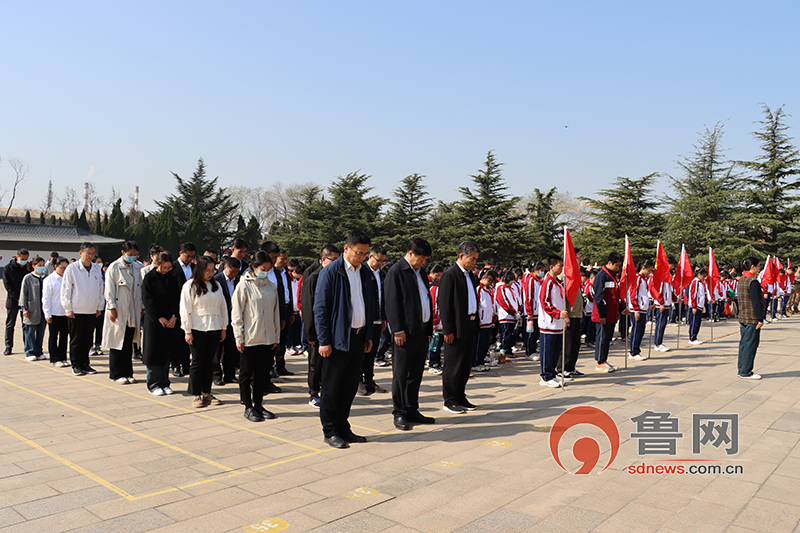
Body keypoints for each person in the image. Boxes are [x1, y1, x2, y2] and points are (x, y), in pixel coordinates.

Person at [314, 230, 375, 448]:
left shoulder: (365, 273)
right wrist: (324, 340)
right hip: (338, 339)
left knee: (349, 386)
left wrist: (368, 335)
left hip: (358, 338)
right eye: (359, 253)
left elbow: (367, 305)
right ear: (346, 249)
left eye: (365, 254)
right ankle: (330, 430)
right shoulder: (331, 272)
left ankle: (343, 426)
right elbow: (320, 309)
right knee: (332, 387)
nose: (362, 257)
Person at [385, 238, 435, 431]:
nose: (423, 262)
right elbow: (391, 303)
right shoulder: (396, 272)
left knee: (416, 373)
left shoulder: (420, 272)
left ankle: (412, 408)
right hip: (404, 333)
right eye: (421, 258)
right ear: (411, 253)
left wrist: (428, 328)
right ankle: (399, 412)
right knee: (401, 374)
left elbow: (425, 300)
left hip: (421, 331)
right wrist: (397, 329)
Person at [232, 251, 280, 422]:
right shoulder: (243, 285)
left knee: (262, 373)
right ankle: (248, 406)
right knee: (246, 374)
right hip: (250, 338)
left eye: (268, 269)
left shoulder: (271, 286)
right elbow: (236, 314)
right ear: (253, 267)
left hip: (267, 338)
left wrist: (276, 336)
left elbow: (276, 312)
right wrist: (239, 337)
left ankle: (258, 404)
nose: (265, 271)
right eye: (263, 268)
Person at [180, 255, 228, 408]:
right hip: (197, 328)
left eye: (212, 270)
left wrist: (223, 327)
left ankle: (207, 393)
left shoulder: (216, 286)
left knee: (210, 362)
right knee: (197, 361)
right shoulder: (190, 286)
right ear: (199, 269)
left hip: (214, 327)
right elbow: (185, 309)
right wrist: (187, 330)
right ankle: (196, 394)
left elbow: (223, 307)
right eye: (207, 270)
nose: (210, 273)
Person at [438, 241, 481, 414]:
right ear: (461, 256)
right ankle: (450, 399)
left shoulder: (470, 275)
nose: (474, 262)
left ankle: (460, 396)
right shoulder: (450, 275)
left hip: (469, 324)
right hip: (455, 327)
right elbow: (445, 305)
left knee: (465, 365)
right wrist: (447, 329)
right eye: (472, 259)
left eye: (476, 259)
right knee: (453, 365)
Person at [300, 244, 340, 408]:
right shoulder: (313, 278)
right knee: (315, 364)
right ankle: (313, 393)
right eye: (334, 260)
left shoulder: (336, 277)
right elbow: (309, 309)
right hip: (317, 331)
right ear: (323, 259)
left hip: (332, 330)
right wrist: (311, 335)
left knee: (329, 365)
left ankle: (327, 391)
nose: (337, 263)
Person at [60, 243, 104, 376]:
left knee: (87, 339)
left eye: (92, 254)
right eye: (88, 253)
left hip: (91, 310)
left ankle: (85, 363)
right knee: (76, 339)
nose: (90, 256)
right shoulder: (72, 269)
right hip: (76, 310)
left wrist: (99, 306)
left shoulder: (96, 268)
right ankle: (76, 364)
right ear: (81, 253)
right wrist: (68, 308)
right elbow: (66, 289)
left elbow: (100, 289)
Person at [102, 241, 143, 384]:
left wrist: (142, 307)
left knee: (128, 342)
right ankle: (116, 373)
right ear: (123, 253)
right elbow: (109, 290)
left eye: (135, 255)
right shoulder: (114, 267)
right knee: (117, 342)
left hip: (133, 309)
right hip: (119, 310)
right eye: (130, 254)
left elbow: (141, 289)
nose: (133, 257)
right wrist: (111, 308)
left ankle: (128, 372)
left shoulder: (139, 267)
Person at [141, 251, 179, 396]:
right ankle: (154, 384)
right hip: (155, 322)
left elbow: (177, 298)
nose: (167, 270)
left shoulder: (172, 278)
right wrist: (159, 317)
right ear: (158, 264)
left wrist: (174, 316)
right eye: (164, 267)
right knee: (154, 354)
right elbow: (147, 300)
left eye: (169, 267)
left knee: (166, 354)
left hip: (170, 321)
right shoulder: (149, 278)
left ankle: (165, 382)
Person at [359, 244, 388, 395]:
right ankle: (359, 381)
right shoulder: (362, 272)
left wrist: (384, 318)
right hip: (365, 321)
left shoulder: (381, 274)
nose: (380, 264)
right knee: (362, 352)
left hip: (378, 320)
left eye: (383, 261)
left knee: (372, 352)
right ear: (370, 257)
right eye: (378, 260)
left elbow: (383, 297)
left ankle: (369, 380)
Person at [538, 255, 568, 388]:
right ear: (551, 267)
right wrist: (557, 313)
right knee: (547, 351)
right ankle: (545, 376)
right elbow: (545, 302)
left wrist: (565, 317)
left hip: (558, 323)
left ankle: (552, 374)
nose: (561, 268)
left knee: (556, 351)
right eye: (559, 265)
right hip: (548, 323)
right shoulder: (548, 282)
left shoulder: (558, 283)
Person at [593, 252, 623, 373]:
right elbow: (599, 297)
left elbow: (615, 296)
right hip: (603, 315)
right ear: (609, 263)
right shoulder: (602, 276)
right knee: (602, 338)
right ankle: (600, 362)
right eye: (616, 265)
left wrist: (621, 309)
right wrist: (602, 315)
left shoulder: (613, 276)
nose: (617, 268)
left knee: (607, 338)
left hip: (612, 314)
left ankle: (604, 360)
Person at [212, 257, 241, 386]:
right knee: (217, 349)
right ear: (225, 268)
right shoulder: (216, 280)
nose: (233, 274)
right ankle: (216, 375)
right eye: (231, 271)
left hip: (233, 319)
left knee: (231, 348)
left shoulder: (239, 281)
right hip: (219, 318)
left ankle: (229, 374)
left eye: (236, 272)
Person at [738, 257, 765, 380]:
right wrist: (760, 318)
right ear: (752, 267)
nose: (759, 269)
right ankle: (746, 371)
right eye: (758, 266)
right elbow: (756, 302)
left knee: (744, 344)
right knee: (750, 344)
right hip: (752, 318)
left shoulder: (742, 279)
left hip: (743, 316)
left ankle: (742, 369)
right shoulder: (753, 281)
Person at [172, 242, 196, 377]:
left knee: (189, 338)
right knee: (177, 339)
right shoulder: (173, 267)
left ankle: (186, 364)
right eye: (187, 256)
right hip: (177, 307)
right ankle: (176, 365)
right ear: (181, 253)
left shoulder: (194, 268)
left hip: (192, 308)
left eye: (192, 257)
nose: (190, 259)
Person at [43, 257, 70, 367]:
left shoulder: (69, 279)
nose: (64, 270)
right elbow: (46, 298)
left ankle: (63, 357)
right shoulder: (49, 280)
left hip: (66, 312)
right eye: (62, 268)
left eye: (66, 268)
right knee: (53, 336)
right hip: (54, 312)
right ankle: (54, 358)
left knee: (64, 336)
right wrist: (47, 314)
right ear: (55, 267)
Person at [20, 256, 48, 361]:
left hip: (43, 310)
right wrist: (24, 308)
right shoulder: (28, 278)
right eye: (39, 265)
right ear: (33, 266)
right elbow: (23, 294)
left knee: (40, 332)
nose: (41, 267)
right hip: (31, 309)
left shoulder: (46, 277)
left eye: (43, 265)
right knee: (30, 332)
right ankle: (29, 352)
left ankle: (38, 351)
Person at [4, 248, 30, 355]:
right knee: (10, 325)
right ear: (17, 257)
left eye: (26, 259)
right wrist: (17, 297)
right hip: (13, 300)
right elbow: (7, 285)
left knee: (26, 324)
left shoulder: (28, 268)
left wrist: (24, 298)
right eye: (22, 259)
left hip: (25, 301)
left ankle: (27, 346)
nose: (24, 261)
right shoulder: (8, 268)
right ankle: (8, 347)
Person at [628, 260, 654, 361]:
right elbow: (633, 294)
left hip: (643, 308)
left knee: (641, 330)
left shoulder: (644, 279)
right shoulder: (637, 278)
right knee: (637, 330)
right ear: (643, 268)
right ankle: (634, 352)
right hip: (637, 309)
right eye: (649, 270)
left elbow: (643, 294)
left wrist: (648, 305)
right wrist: (636, 309)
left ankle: (636, 350)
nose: (650, 273)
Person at [649, 257, 676, 352]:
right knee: (660, 324)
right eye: (672, 266)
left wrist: (675, 299)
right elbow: (659, 290)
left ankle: (659, 342)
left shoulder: (667, 275)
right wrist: (661, 303)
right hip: (662, 304)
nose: (672, 268)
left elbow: (669, 290)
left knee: (663, 324)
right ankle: (657, 344)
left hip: (666, 303)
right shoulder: (660, 275)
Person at [494, 271, 519, 363]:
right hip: (505, 315)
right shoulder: (501, 288)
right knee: (506, 334)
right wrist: (512, 312)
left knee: (511, 334)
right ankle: (503, 350)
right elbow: (504, 302)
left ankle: (508, 350)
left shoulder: (511, 289)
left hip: (513, 316)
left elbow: (515, 300)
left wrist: (518, 310)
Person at [475, 269, 497, 370]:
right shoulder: (478, 290)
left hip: (488, 321)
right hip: (481, 322)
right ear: (482, 278)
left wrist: (493, 318)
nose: (489, 283)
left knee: (485, 344)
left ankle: (482, 361)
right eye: (488, 281)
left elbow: (492, 305)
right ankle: (476, 363)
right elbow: (477, 306)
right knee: (479, 344)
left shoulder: (490, 290)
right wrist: (478, 321)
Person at [427, 263, 445, 374]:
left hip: (442, 323)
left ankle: (437, 362)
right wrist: (434, 322)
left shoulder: (441, 287)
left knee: (439, 343)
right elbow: (434, 306)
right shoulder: (435, 288)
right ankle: (432, 363)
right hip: (436, 323)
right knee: (434, 344)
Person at [688, 268, 708, 345]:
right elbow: (694, 295)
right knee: (694, 322)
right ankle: (692, 338)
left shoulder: (700, 283)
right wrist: (694, 307)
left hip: (699, 305)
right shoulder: (695, 282)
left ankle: (695, 336)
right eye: (704, 276)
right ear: (699, 274)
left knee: (697, 322)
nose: (704, 278)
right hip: (695, 306)